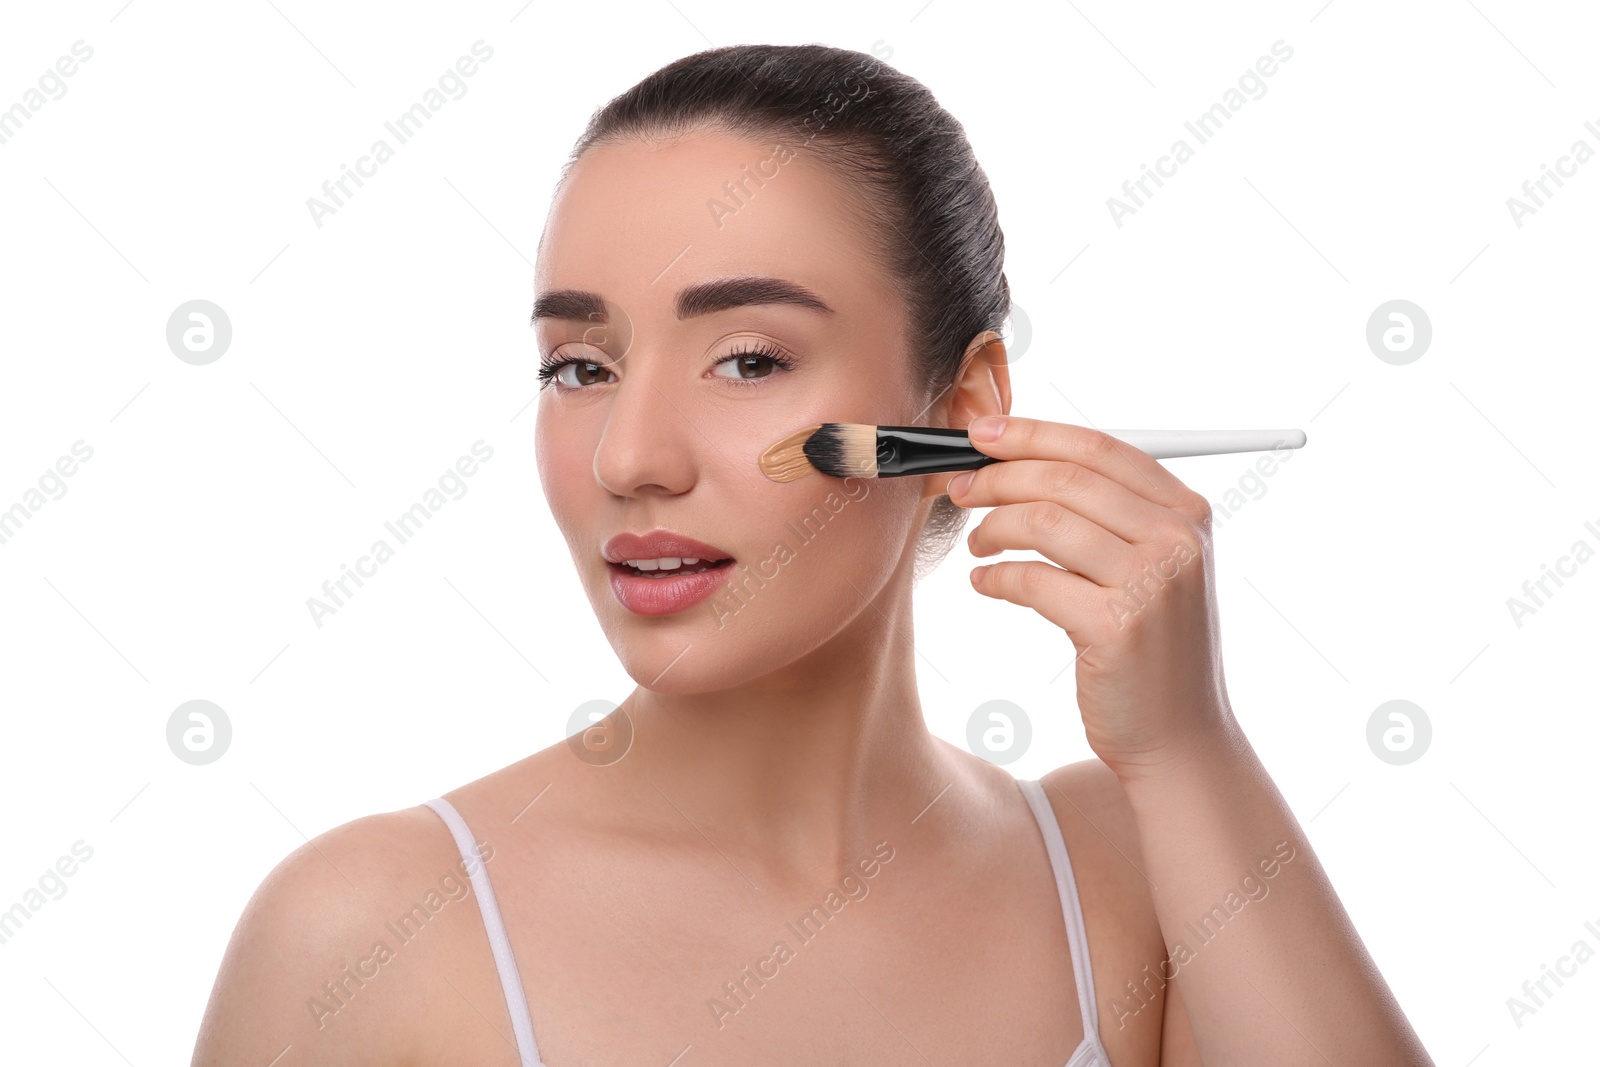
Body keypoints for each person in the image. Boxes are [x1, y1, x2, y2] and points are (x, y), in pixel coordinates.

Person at [191, 43, 1433, 1065]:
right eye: (581, 366)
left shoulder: (1125, 865)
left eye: (746, 359)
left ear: (961, 409)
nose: (631, 455)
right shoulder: (370, 930)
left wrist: (1187, 745)